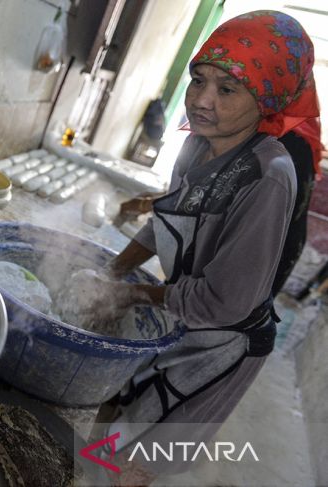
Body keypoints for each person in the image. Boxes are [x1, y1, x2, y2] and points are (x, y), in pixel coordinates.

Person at [82, 10, 323, 485]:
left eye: (227, 89)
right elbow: (171, 221)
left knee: (130, 464)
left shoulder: (268, 177)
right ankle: (84, 468)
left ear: (265, 100)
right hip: (180, 317)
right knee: (103, 432)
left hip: (220, 348)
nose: (202, 101)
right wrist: (112, 273)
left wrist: (131, 294)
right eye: (197, 80)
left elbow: (224, 301)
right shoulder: (197, 144)